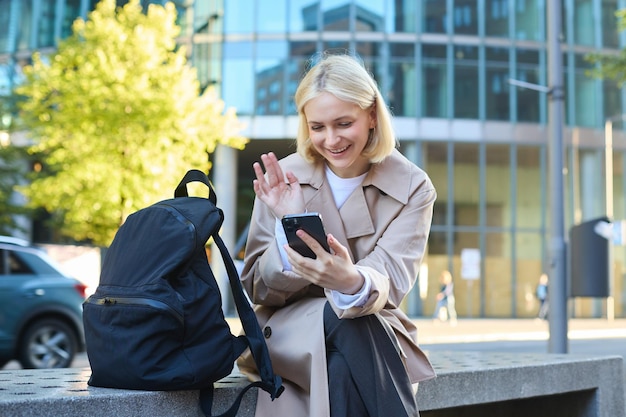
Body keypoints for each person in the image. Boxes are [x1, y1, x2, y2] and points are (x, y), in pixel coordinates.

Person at [237, 53, 436, 417]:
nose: (331, 140)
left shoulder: (412, 186)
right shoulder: (283, 178)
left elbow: (390, 277)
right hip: (288, 334)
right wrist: (292, 224)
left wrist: (351, 281)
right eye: (318, 127)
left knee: (345, 362)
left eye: (344, 123)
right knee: (341, 321)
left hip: (371, 331)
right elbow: (255, 286)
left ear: (372, 115)